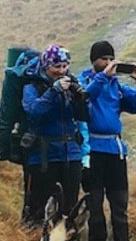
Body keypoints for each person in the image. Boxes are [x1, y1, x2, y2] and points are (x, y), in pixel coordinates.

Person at [77, 40, 136, 241]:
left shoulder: (116, 86)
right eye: (104, 59)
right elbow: (84, 97)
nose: (109, 63)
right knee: (95, 200)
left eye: (111, 59)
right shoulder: (85, 80)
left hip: (115, 149)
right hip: (93, 150)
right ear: (94, 60)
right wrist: (103, 77)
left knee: (119, 201)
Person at [22, 43, 88, 221]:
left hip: (71, 154)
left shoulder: (71, 85)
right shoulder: (32, 87)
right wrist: (53, 92)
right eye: (56, 66)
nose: (61, 71)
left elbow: (84, 116)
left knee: (70, 207)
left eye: (65, 66)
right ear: (46, 66)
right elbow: (33, 112)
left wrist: (80, 98)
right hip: (43, 155)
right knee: (40, 207)